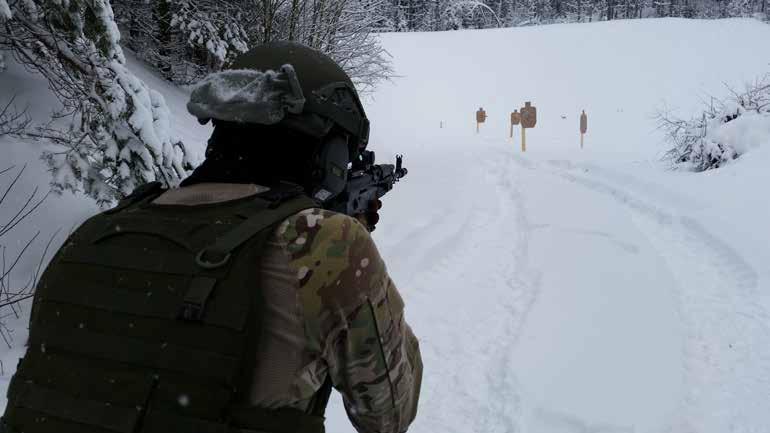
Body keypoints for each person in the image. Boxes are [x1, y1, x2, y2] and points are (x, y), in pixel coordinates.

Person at [0, 41, 422, 433]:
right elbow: (389, 413)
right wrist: (348, 247)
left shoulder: (95, 234)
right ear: (330, 157)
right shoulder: (323, 245)